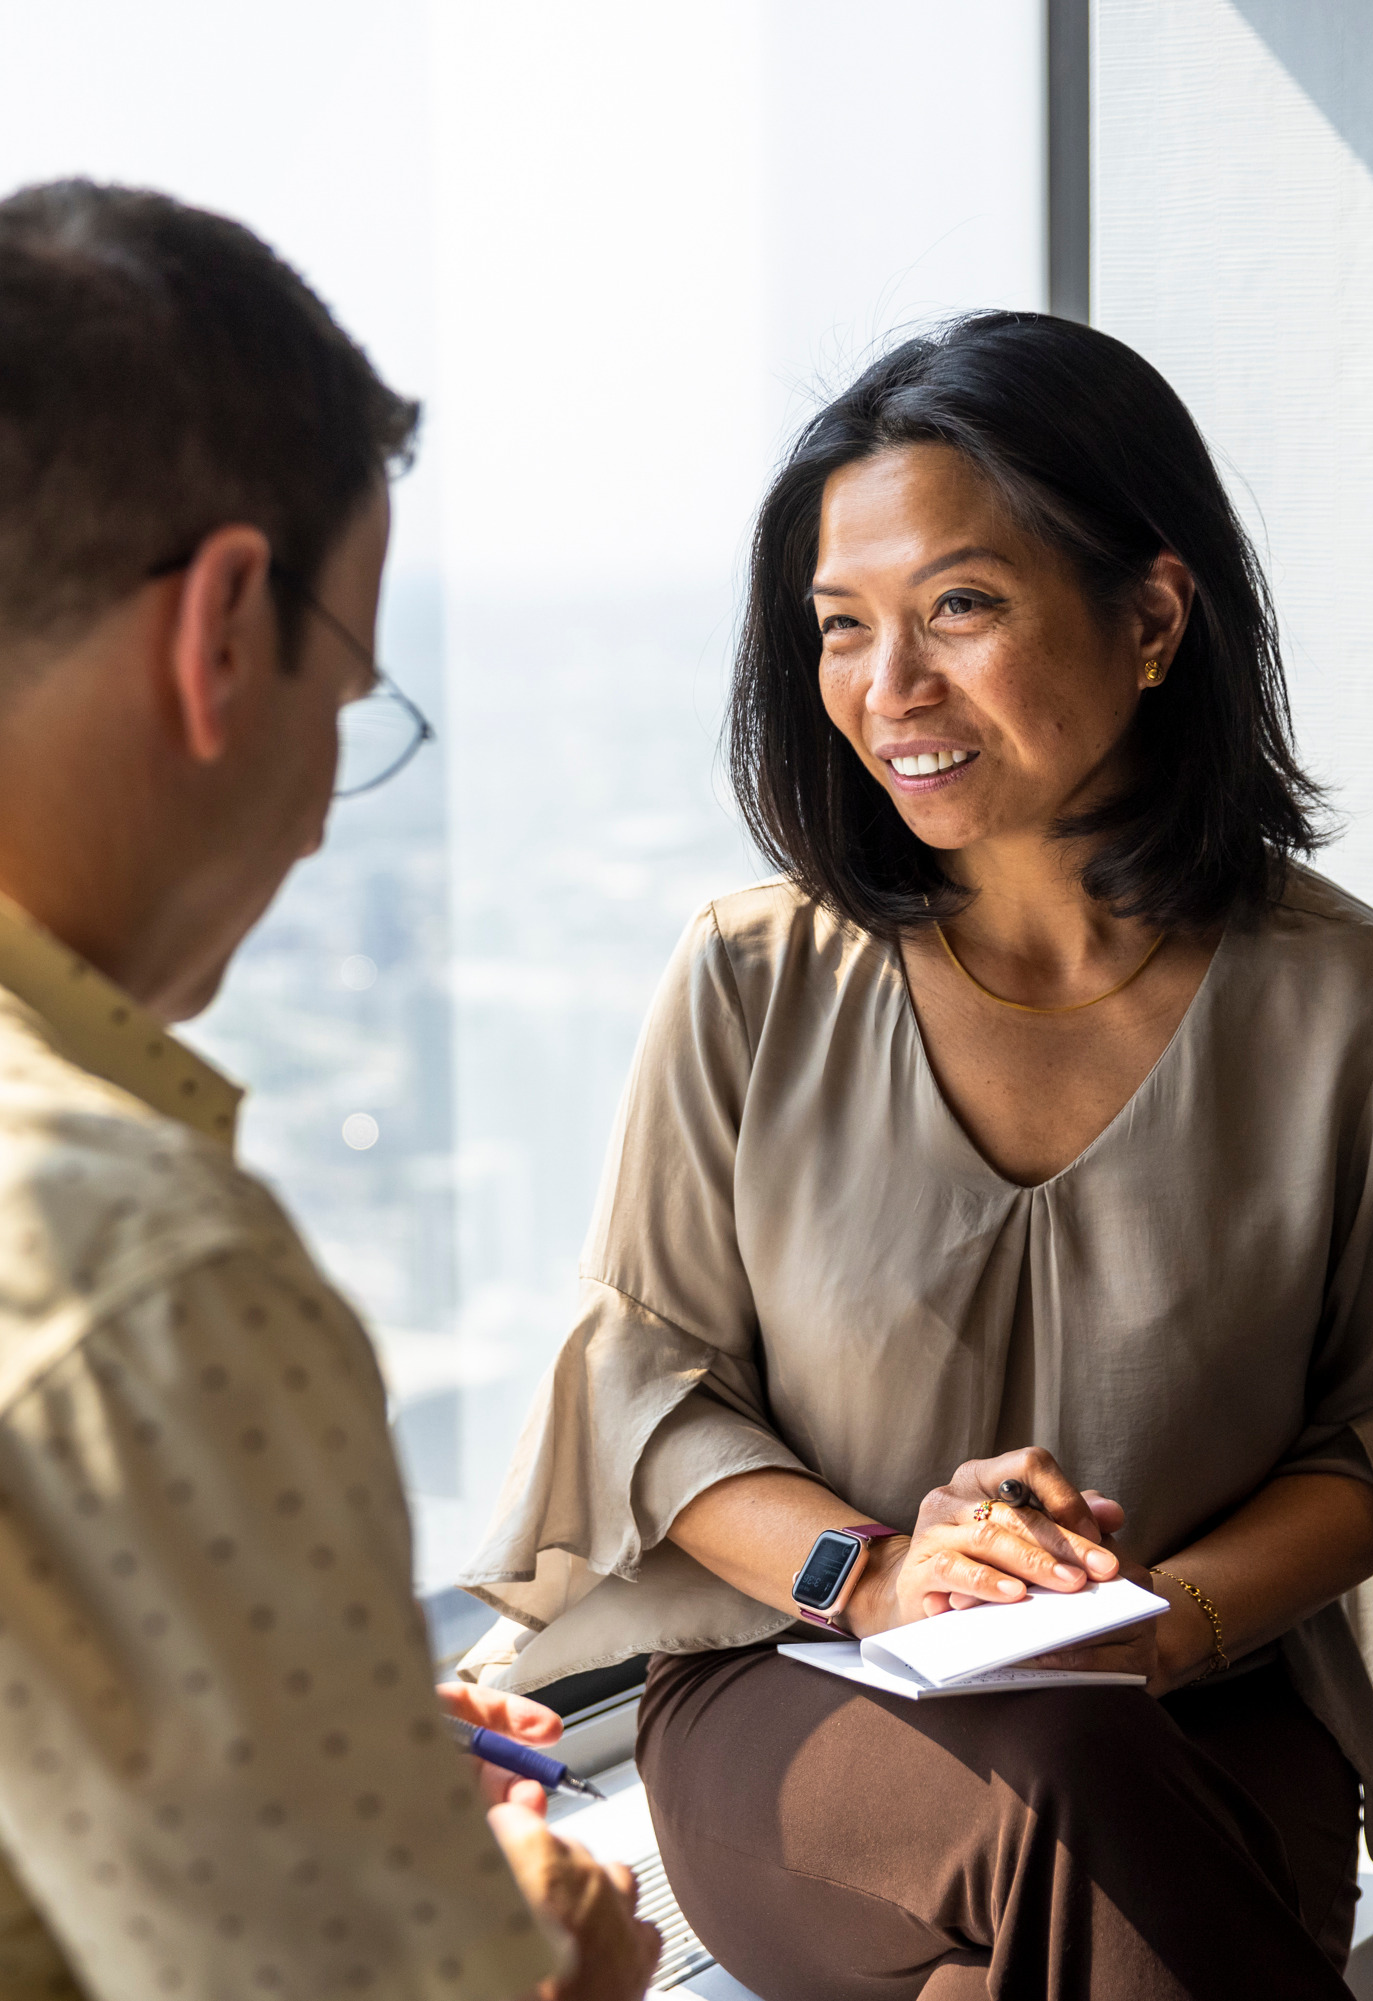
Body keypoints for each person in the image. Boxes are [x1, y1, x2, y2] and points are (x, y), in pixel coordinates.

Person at [460, 313, 1373, 2000]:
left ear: (1149, 617)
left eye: (959, 608)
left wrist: (1159, 1620)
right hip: (806, 1699)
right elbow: (646, 1398)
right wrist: (884, 1569)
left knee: (1066, 1843)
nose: (887, 691)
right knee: (1064, 1785)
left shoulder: (1371, 1011)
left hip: (1197, 1704)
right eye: (841, 628)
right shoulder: (749, 977)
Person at [0, 179, 658, 2001]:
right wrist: (549, 1958)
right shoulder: (141, 1269)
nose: (318, 799)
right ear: (223, 629)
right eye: (353, 688)